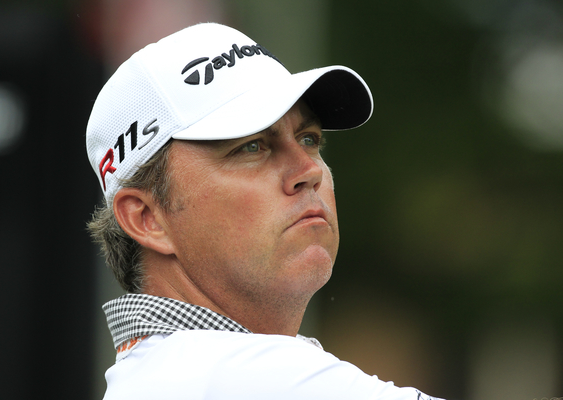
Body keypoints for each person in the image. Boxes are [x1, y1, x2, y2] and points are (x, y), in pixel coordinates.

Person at [86, 22, 444, 400]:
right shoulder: (238, 376)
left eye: (309, 139)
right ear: (147, 218)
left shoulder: (160, 373)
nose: (309, 170)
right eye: (252, 146)